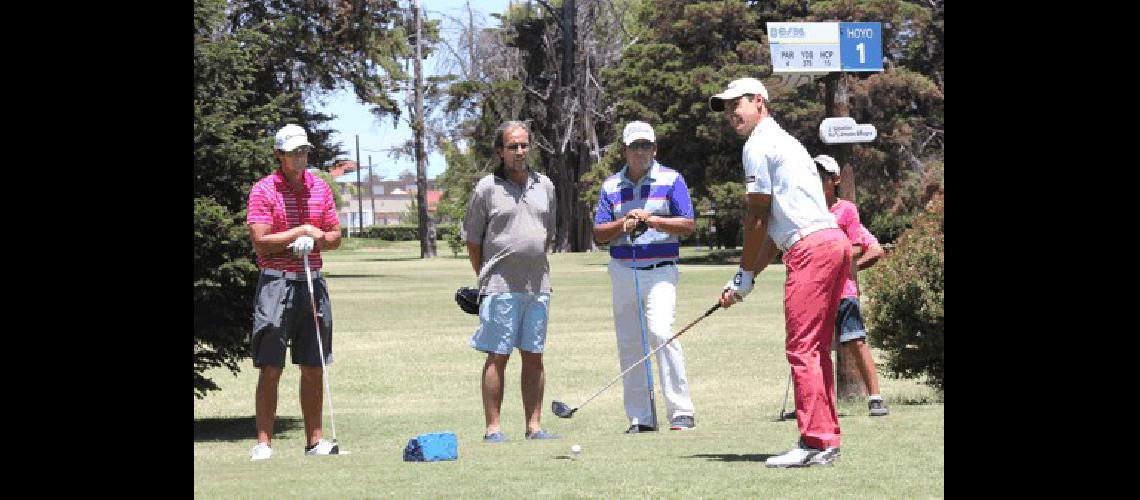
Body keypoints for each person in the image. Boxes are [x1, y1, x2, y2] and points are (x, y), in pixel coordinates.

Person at [709, 78, 851, 468]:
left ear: (759, 101)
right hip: (829, 243)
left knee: (803, 348)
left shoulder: (758, 145)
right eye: (725, 108)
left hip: (811, 248)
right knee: (816, 348)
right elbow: (773, 228)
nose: (730, 113)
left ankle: (813, 442)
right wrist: (747, 278)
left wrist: (742, 273)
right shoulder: (787, 142)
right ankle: (825, 440)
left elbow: (756, 216)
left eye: (736, 104)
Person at [592, 121, 698, 434]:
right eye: (634, 146)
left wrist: (652, 221)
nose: (640, 152)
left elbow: (688, 224)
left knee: (661, 333)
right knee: (630, 344)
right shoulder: (611, 186)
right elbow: (599, 233)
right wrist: (622, 224)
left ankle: (681, 411)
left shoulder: (671, 179)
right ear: (624, 150)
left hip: (661, 270)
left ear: (654, 149)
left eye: (645, 146)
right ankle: (640, 417)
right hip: (623, 271)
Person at [245, 124, 343, 461]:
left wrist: (315, 239)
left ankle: (314, 441)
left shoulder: (320, 188)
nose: (300, 156)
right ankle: (263, 442)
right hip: (275, 282)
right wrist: (297, 233)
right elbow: (261, 241)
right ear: (279, 155)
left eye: (303, 151)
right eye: (293, 152)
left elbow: (335, 236)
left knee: (314, 365)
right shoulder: (263, 190)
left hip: (313, 282)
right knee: (271, 366)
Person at [462, 120, 560, 443]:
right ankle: (493, 428)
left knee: (534, 356)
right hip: (499, 287)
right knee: (497, 356)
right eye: (512, 146)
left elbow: (547, 235)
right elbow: (473, 240)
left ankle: (534, 427)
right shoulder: (486, 188)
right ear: (500, 151)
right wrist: (485, 278)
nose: (519, 151)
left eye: (523, 145)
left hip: (537, 286)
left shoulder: (545, 186)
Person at [813, 154, 889, 417]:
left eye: (822, 177)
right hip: (815, 292)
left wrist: (838, 259)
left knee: (855, 341)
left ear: (834, 180)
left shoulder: (846, 210)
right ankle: (820, 401)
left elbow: (860, 246)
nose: (817, 181)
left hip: (843, 291)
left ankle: (876, 397)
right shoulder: (807, 208)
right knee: (816, 346)